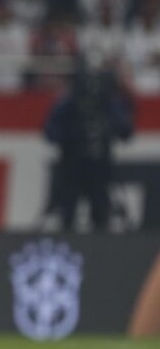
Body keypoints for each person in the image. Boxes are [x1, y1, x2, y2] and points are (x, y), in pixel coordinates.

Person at [44, 64, 134, 231]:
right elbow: (50, 131)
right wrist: (70, 135)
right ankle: (67, 244)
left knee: (100, 211)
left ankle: (99, 249)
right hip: (72, 166)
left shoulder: (108, 104)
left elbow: (126, 131)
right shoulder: (69, 103)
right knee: (67, 212)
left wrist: (107, 128)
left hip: (100, 168)